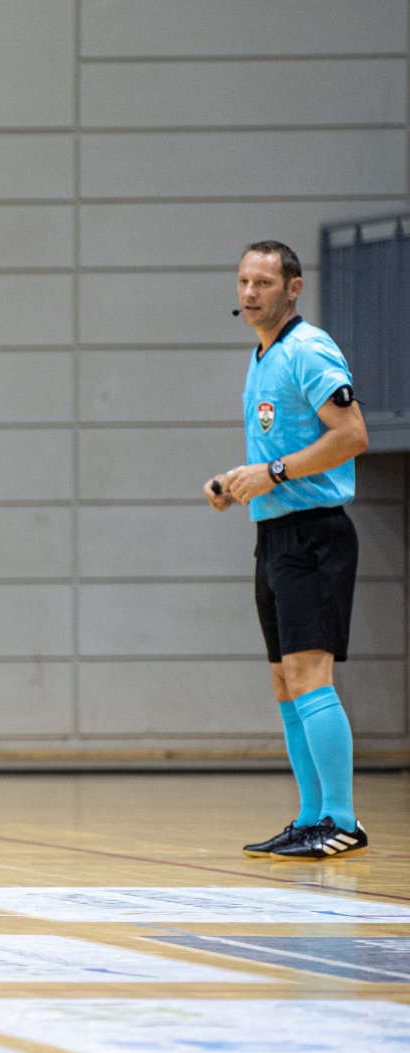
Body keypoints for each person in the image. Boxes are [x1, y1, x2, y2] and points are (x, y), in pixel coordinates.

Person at [204, 240, 369, 860]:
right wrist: (236, 485)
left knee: (308, 674)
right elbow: (282, 454)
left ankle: (343, 821)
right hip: (274, 535)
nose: (250, 294)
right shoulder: (262, 355)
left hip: (315, 535)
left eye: (264, 283)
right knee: (283, 681)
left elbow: (351, 436)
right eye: (243, 281)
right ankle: (310, 817)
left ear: (293, 288)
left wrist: (269, 473)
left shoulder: (308, 349)